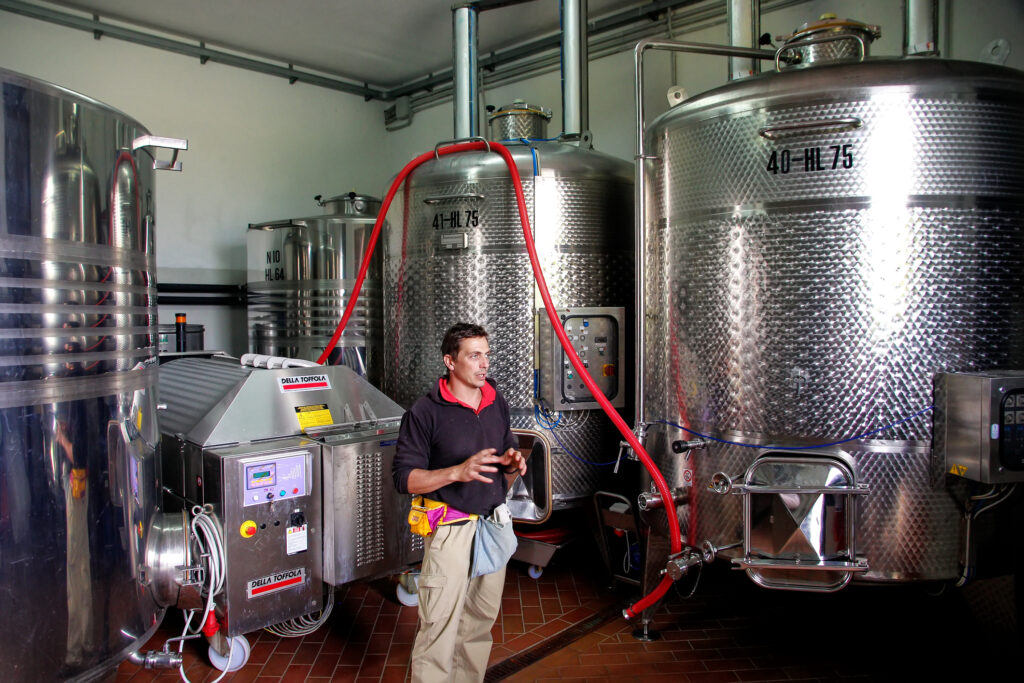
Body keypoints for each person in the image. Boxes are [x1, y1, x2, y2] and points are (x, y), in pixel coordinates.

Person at [392, 322, 527, 683]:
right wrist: (457, 472)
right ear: (450, 362)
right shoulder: (425, 412)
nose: (484, 364)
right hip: (450, 530)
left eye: (486, 355)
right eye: (474, 356)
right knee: (439, 628)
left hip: (493, 524)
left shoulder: (495, 400)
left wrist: (512, 463)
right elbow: (404, 478)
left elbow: (505, 451)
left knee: (479, 625)